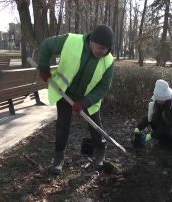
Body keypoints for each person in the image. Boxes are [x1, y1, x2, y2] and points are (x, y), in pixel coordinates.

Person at [37, 25, 114, 175]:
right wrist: (44, 69)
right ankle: (58, 159)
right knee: (62, 125)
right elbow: (46, 45)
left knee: (95, 126)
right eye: (100, 48)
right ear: (91, 41)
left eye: (106, 49)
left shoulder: (108, 61)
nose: (102, 52)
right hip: (65, 92)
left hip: (88, 99)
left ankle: (100, 153)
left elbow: (104, 86)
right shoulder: (71, 41)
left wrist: (84, 103)